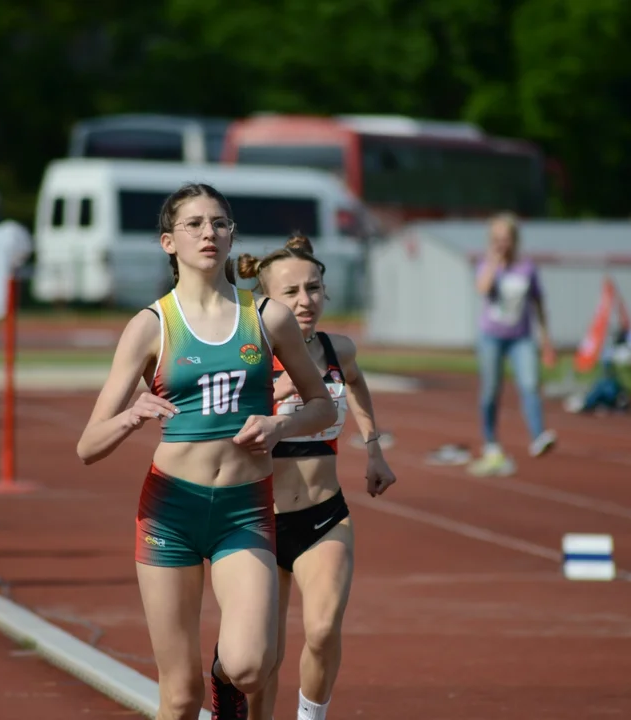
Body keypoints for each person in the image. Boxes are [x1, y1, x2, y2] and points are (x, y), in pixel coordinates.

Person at [75, 183, 337, 720]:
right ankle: (202, 694)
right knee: (178, 697)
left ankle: (225, 684)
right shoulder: (151, 326)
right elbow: (87, 446)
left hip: (244, 508)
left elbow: (322, 407)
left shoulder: (267, 317)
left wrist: (278, 426)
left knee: (250, 664)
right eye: (193, 224)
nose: (208, 233)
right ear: (169, 242)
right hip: (170, 512)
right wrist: (130, 415)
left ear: (232, 234)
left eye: (218, 223)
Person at [235, 235, 397, 720]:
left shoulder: (336, 349)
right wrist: (275, 391)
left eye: (314, 288)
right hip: (256, 522)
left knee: (323, 630)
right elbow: (217, 435)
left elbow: (357, 382)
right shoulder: (247, 355)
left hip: (324, 517)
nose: (305, 301)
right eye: (291, 292)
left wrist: (373, 448)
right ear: (265, 299)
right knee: (263, 659)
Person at [468, 212, 557, 477]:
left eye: (505, 239)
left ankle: (538, 434)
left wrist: (545, 337)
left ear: (514, 240)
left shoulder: (527, 268)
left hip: (521, 336)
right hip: (491, 336)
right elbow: (482, 289)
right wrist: (494, 262)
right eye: (496, 239)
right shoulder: (487, 264)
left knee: (530, 383)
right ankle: (490, 441)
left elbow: (539, 302)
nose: (501, 244)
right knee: (491, 389)